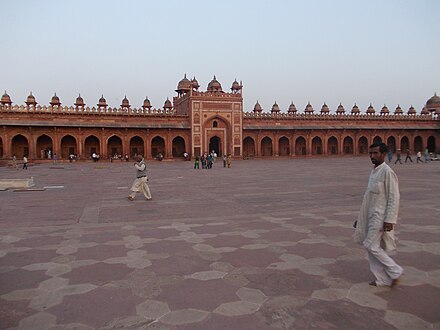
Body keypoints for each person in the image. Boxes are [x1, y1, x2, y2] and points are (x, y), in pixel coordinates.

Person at [354, 142, 403, 287]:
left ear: (384, 154)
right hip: (371, 215)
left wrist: (390, 219)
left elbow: (394, 197)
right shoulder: (374, 171)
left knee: (370, 245)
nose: (372, 156)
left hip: (380, 217)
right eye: (371, 153)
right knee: (371, 247)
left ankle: (395, 270)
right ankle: (382, 279)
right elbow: (369, 198)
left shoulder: (387, 172)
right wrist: (360, 219)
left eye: (375, 153)